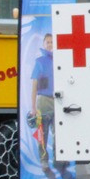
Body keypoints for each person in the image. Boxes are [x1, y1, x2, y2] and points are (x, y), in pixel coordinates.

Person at [31, 34, 54, 164]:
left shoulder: (61, 60)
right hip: (43, 100)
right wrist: (33, 107)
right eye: (48, 42)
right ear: (44, 44)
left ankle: (59, 159)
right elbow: (34, 85)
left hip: (57, 100)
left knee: (59, 133)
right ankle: (43, 160)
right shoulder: (39, 62)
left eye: (52, 42)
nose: (50, 44)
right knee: (42, 132)